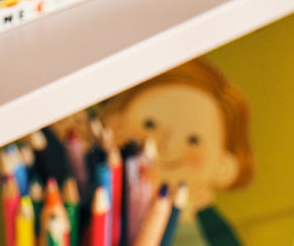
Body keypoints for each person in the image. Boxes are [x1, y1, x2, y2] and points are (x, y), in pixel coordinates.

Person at [100, 57, 254, 246]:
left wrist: (185, 220)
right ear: (115, 124)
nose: (168, 146)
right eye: (150, 124)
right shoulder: (100, 193)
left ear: (224, 165)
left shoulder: (214, 229)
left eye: (193, 140)